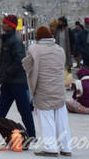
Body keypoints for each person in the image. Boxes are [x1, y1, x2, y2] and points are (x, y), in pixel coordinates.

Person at [0, 14, 37, 144]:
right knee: (1, 108)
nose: (2, 25)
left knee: (24, 110)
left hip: (17, 83)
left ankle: (32, 135)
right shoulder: (7, 40)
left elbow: (19, 61)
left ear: (10, 26)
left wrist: (8, 72)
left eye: (4, 23)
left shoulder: (15, 42)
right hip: (8, 82)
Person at [23, 25, 72, 157]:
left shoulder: (34, 49)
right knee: (62, 119)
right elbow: (62, 65)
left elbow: (27, 65)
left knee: (46, 119)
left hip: (43, 90)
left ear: (37, 37)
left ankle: (50, 148)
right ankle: (66, 148)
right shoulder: (59, 49)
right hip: (59, 89)